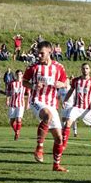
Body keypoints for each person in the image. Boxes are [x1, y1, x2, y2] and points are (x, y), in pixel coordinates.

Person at [23, 41, 68, 172]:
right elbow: (24, 82)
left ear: (50, 52)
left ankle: (56, 165)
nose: (39, 56)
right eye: (38, 53)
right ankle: (39, 148)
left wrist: (62, 85)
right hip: (37, 101)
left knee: (59, 138)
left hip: (52, 103)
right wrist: (33, 86)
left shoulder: (59, 67)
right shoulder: (34, 67)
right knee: (47, 115)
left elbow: (65, 81)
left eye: (42, 53)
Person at [61, 63, 91, 150]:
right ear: (81, 69)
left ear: (89, 70)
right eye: (83, 68)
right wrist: (65, 100)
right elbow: (70, 91)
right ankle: (63, 145)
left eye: (87, 68)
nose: (85, 70)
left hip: (87, 109)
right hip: (76, 107)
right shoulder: (76, 81)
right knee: (68, 123)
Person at [6, 70, 28, 140]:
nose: (19, 76)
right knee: (11, 122)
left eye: (20, 74)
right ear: (15, 75)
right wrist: (7, 100)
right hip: (12, 103)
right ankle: (16, 131)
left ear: (22, 75)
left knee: (18, 119)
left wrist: (28, 104)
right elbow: (8, 92)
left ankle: (17, 133)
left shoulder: (24, 83)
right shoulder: (11, 83)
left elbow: (29, 93)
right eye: (17, 74)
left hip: (21, 103)